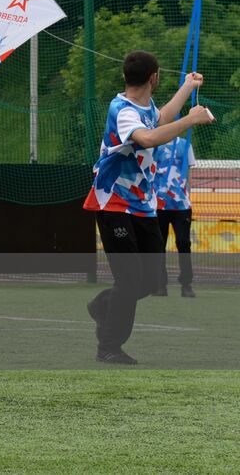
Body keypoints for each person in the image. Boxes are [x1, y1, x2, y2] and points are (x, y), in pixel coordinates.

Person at [84, 57, 209, 364]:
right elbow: (149, 137)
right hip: (114, 204)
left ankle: (102, 306)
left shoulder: (146, 108)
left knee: (151, 281)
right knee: (129, 281)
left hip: (143, 206)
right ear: (154, 77)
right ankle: (109, 347)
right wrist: (190, 119)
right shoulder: (123, 110)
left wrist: (187, 86)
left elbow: (161, 118)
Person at [153, 135, 196, 298]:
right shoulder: (154, 145)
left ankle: (186, 284)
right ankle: (160, 284)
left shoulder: (185, 145)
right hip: (159, 205)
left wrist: (187, 195)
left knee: (183, 243)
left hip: (181, 206)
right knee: (158, 245)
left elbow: (189, 172)